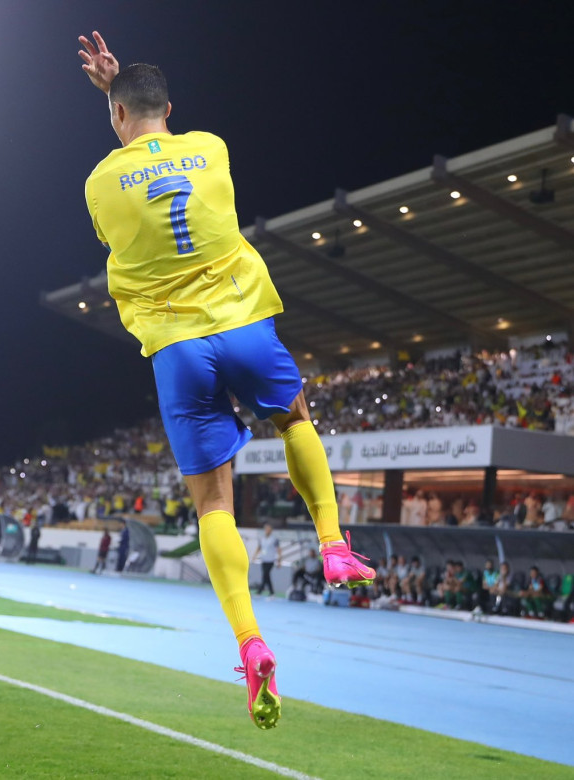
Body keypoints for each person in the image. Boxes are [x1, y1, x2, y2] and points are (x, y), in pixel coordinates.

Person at [77, 31, 373, 730]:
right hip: (242, 327)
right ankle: (332, 543)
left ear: (117, 116)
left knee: (214, 503)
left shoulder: (98, 181)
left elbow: (130, 176)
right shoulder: (212, 148)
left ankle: (250, 643)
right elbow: (156, 144)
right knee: (295, 416)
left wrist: (113, 109)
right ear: (170, 106)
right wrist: (125, 100)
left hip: (178, 347)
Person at [252, 524, 281, 596]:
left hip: (271, 560)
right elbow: (259, 548)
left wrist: (279, 560)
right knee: (266, 576)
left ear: (271, 530)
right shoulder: (262, 539)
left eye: (268, 529)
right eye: (266, 529)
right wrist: (254, 556)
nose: (267, 531)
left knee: (266, 574)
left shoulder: (274, 539)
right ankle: (270, 592)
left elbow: (278, 550)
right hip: (264, 560)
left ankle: (261, 591)